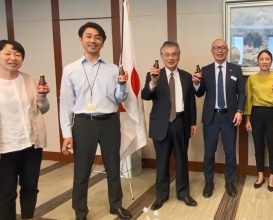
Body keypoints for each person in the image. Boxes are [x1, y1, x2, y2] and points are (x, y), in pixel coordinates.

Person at [59, 22, 131, 220]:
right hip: (83, 123)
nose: (93, 40)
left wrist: (123, 86)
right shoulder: (70, 69)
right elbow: (66, 104)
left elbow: (119, 98)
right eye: (88, 36)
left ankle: (115, 205)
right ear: (81, 39)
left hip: (109, 122)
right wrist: (66, 134)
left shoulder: (113, 69)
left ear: (103, 42)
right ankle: (80, 211)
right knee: (81, 170)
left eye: (97, 37)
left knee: (113, 166)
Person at [141, 41, 197, 210]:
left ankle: (183, 193)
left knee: (182, 160)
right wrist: (153, 83)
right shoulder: (153, 75)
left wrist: (193, 122)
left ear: (179, 55)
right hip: (161, 125)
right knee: (162, 161)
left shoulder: (187, 77)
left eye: (174, 54)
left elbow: (191, 102)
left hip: (181, 122)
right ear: (162, 56)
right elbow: (145, 96)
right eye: (167, 54)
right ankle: (161, 195)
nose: (171, 57)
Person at [0, 40, 50, 220]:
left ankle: (28, 217)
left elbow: (42, 108)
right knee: (6, 193)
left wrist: (43, 98)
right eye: (7, 53)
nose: (13, 58)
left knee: (30, 187)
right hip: (5, 148)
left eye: (18, 55)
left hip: (31, 144)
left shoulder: (30, 79)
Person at [192, 39, 245, 198]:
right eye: (216, 48)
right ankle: (209, 182)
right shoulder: (206, 70)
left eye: (222, 47)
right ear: (212, 51)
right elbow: (200, 93)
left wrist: (240, 111)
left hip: (230, 117)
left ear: (227, 50)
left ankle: (230, 182)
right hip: (211, 117)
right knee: (209, 152)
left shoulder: (236, 69)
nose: (219, 50)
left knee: (230, 152)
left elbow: (241, 93)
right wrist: (196, 83)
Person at [244, 50, 273, 192]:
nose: (264, 61)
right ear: (257, 61)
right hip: (256, 113)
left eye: (267, 59)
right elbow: (248, 100)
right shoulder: (252, 79)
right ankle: (261, 175)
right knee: (258, 146)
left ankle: (272, 177)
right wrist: (247, 119)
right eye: (261, 59)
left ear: (271, 61)